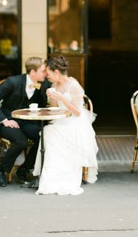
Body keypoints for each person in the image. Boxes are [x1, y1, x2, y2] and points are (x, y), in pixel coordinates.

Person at [33, 55, 98, 195]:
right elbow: (56, 108)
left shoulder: (74, 86)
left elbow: (77, 112)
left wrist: (61, 97)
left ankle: (65, 177)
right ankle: (50, 178)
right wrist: (52, 98)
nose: (47, 76)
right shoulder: (54, 85)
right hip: (61, 120)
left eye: (49, 73)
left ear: (56, 72)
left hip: (75, 122)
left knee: (52, 132)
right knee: (48, 131)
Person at [0, 56, 50, 187]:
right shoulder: (12, 82)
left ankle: (24, 168)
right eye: (43, 70)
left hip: (27, 122)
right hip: (8, 121)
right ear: (32, 72)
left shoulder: (44, 84)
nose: (46, 73)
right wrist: (4, 120)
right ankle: (0, 171)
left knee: (44, 138)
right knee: (21, 142)